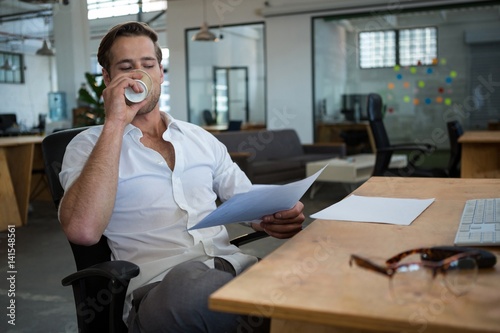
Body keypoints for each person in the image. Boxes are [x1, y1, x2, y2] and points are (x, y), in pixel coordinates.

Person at [58, 21, 305, 333]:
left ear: (161, 73)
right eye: (126, 67)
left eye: (148, 64)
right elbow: (83, 231)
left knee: (305, 280)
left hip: (234, 269)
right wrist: (115, 123)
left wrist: (273, 215)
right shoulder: (89, 146)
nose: (139, 75)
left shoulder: (198, 138)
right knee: (193, 286)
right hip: (162, 288)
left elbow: (243, 199)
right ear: (107, 78)